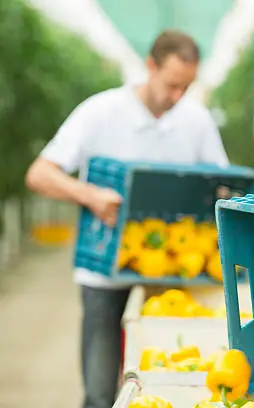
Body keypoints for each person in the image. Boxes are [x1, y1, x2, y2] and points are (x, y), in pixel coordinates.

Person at [25, 30, 228, 408]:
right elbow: (39, 174)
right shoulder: (99, 112)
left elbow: (224, 183)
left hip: (172, 273)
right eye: (171, 85)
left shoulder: (195, 120)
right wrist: (89, 195)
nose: (177, 97)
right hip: (104, 269)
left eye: (185, 87)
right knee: (101, 391)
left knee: (168, 381)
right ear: (150, 66)